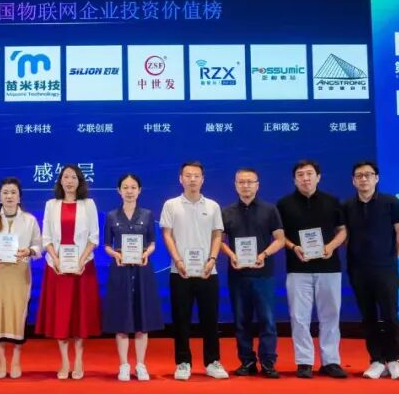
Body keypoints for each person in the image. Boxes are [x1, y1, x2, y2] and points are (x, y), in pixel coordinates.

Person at [277, 160, 347, 379]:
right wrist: (293, 247)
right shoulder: (284, 204)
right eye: (300, 175)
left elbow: (343, 231)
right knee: (299, 317)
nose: (305, 178)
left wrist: (331, 247)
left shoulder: (332, 201)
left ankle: (331, 361)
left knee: (331, 315)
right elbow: (279, 236)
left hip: (329, 268)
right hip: (298, 268)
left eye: (309, 174)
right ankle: (304, 361)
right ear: (294, 180)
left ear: (318, 177)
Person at [160, 161, 228, 381]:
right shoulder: (171, 205)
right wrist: (178, 260)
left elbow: (217, 235)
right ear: (180, 179)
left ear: (202, 179)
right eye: (188, 175)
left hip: (208, 271)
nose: (192, 179)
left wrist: (212, 259)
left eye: (196, 176)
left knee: (210, 318)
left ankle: (212, 361)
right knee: (181, 318)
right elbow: (167, 235)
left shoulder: (213, 206)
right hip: (180, 271)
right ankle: (183, 362)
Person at [342, 161, 399, 380]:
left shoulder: (391, 203)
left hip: (386, 269)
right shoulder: (347, 206)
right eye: (359, 176)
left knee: (390, 315)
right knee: (368, 316)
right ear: (353, 181)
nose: (364, 179)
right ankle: (376, 360)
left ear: (376, 178)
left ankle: (394, 360)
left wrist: (390, 257)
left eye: (368, 175)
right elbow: (344, 236)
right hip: (358, 270)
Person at [35, 164, 101, 380]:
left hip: (83, 267)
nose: (70, 181)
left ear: (79, 181)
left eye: (74, 177)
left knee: (80, 316)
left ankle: (79, 360)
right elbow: (46, 237)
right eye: (66, 177)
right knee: (61, 315)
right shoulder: (51, 205)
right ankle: (64, 361)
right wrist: (56, 259)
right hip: (57, 268)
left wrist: (81, 260)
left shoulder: (88, 204)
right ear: (60, 181)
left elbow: (94, 237)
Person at [220, 168, 285, 379]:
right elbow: (219, 241)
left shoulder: (270, 210)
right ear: (235, 185)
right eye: (241, 182)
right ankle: (247, 361)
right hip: (238, 275)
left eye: (250, 182)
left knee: (267, 320)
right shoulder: (226, 212)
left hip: (263, 274)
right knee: (241, 321)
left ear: (258, 185)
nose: (245, 185)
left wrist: (264, 254)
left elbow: (280, 239)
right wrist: (231, 255)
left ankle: (268, 362)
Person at [0, 177, 43, 379]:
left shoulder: (30, 220)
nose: (9, 196)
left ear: (19, 197)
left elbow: (38, 246)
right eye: (5, 192)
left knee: (18, 315)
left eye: (13, 192)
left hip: (20, 274)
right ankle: (1, 360)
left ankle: (15, 359)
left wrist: (28, 251)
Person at [102, 173, 163, 382]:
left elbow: (152, 243)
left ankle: (141, 364)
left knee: (141, 317)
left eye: (133, 187)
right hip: (120, 270)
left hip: (142, 269)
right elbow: (107, 245)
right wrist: (116, 254)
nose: (129, 191)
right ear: (119, 191)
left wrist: (147, 253)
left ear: (139, 190)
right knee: (122, 317)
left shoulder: (147, 214)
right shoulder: (112, 216)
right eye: (125, 187)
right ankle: (123, 365)